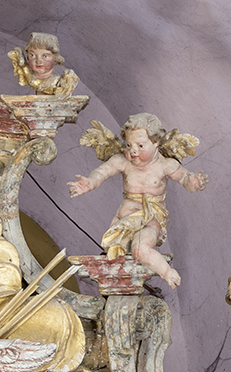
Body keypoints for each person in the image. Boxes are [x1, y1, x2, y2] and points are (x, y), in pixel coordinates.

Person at [66, 112, 207, 287]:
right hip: (123, 219)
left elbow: (185, 178)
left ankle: (167, 272)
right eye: (129, 145)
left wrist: (194, 182)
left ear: (156, 142)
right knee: (113, 254)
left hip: (150, 220)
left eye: (140, 145)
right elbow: (103, 172)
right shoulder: (123, 162)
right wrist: (89, 183)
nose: (133, 151)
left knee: (140, 249)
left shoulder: (165, 165)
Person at [8, 32, 79, 97]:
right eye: (32, 55)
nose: (38, 61)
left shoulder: (59, 81)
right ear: (28, 58)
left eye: (45, 56)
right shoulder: (28, 74)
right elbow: (24, 68)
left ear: (55, 59)